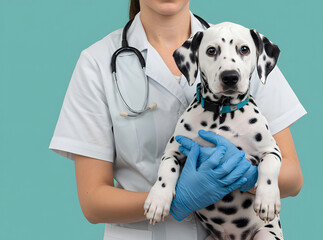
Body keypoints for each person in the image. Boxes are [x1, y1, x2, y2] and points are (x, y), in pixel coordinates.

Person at [48, 0, 307, 239]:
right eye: (212, 53)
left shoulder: (242, 51)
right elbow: (93, 202)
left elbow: (293, 178)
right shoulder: (97, 63)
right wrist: (176, 200)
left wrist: (249, 178)